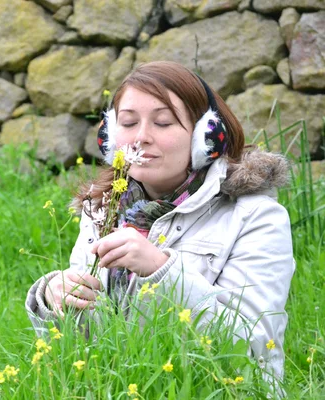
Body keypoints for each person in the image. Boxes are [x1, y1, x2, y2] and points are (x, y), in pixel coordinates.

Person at [25, 61, 295, 381]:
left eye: (163, 122)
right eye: (128, 122)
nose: (141, 137)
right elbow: (83, 352)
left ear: (205, 137)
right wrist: (53, 300)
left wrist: (161, 271)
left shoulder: (258, 218)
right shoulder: (101, 211)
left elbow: (251, 352)